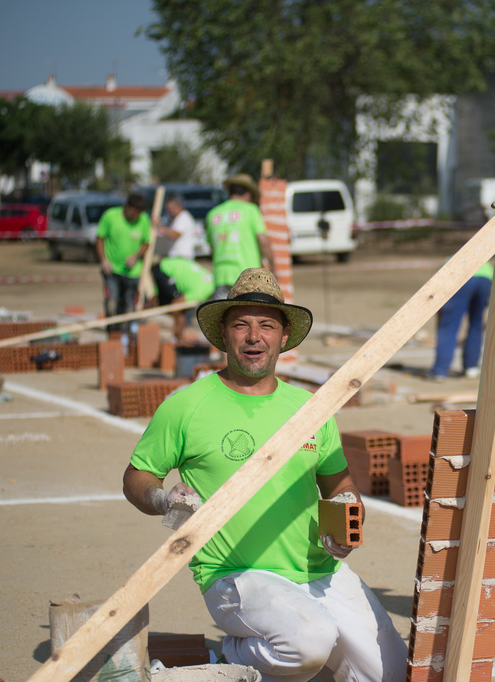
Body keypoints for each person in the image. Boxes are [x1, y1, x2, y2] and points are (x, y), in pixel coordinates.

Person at [122, 268, 406, 681]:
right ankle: (235, 655)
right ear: (224, 334)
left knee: (392, 673)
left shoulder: (310, 408)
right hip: (235, 575)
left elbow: (339, 484)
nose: (254, 336)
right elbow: (137, 477)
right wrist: (164, 499)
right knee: (310, 641)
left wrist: (346, 514)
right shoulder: (187, 405)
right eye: (242, 324)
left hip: (318, 570)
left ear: (284, 337)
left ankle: (291, 659)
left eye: (266, 325)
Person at [207, 174, 275, 299]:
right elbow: (264, 242)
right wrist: (273, 268)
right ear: (248, 195)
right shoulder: (251, 210)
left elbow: (212, 248)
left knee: (224, 317)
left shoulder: (213, 214)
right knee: (248, 317)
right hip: (248, 278)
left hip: (220, 276)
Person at [428, 261, 493, 380]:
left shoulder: (449, 260)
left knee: (448, 327)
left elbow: (437, 293)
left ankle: (440, 370)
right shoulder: (486, 264)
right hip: (486, 280)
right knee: (476, 324)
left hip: (459, 278)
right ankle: (471, 368)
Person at [96, 193, 151, 333]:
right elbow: (100, 238)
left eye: (138, 213)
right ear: (127, 207)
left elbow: (146, 242)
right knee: (112, 304)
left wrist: (136, 256)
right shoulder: (110, 216)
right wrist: (103, 260)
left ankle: (126, 336)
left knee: (129, 306)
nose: (136, 216)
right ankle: (113, 335)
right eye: (134, 213)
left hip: (133, 273)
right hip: (112, 270)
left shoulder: (144, 220)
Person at [150, 256, 216, 339]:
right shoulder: (202, 293)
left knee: (181, 308)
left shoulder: (210, 282)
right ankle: (173, 335)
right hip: (164, 270)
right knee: (174, 306)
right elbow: (177, 303)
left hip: (167, 265)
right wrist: (175, 324)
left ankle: (177, 335)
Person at [159, 194, 198, 261]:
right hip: (177, 256)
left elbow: (174, 235)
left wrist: (160, 227)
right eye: (168, 210)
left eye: (171, 209)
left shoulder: (183, 218)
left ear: (178, 206)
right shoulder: (177, 218)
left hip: (182, 256)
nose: (169, 212)